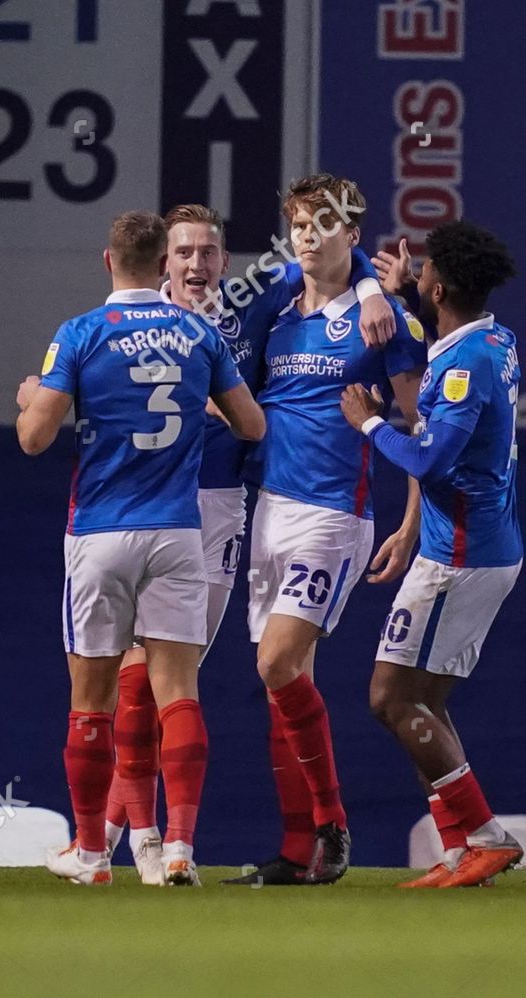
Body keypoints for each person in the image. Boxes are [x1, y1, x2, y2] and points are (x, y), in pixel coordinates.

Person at [102, 204, 393, 885]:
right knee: (138, 679)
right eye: (184, 253)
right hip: (140, 510)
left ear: (224, 262)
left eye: (209, 253)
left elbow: (335, 257)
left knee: (174, 676)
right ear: (163, 263)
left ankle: (155, 841)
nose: (197, 265)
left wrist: (376, 286)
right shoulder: (127, 324)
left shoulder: (249, 315)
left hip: (220, 513)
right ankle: (123, 838)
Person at [16, 210, 264, 886]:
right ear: (162, 267)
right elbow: (251, 424)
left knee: (90, 698)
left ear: (107, 262)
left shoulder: (80, 334)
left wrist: (32, 399)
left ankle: (94, 854)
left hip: (98, 531)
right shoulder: (199, 333)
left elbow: (33, 440)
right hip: (177, 532)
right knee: (177, 690)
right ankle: (179, 847)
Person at [227, 175, 428, 886]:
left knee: (277, 663)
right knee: (286, 686)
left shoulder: (381, 324)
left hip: (334, 517)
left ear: (353, 233)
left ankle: (333, 821)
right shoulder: (276, 313)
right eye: (299, 227)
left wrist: (409, 524)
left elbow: (419, 429)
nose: (309, 238)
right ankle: (298, 848)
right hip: (269, 513)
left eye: (323, 225)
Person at [339, 220, 524, 888]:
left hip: (460, 557)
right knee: (423, 704)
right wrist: (401, 294)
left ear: (440, 285)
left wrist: (367, 421)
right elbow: (440, 411)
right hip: (474, 546)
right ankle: (460, 848)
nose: (413, 278)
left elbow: (431, 458)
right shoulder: (492, 342)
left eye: (421, 275)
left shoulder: (465, 363)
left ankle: (486, 835)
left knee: (390, 699)